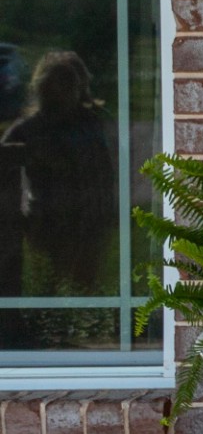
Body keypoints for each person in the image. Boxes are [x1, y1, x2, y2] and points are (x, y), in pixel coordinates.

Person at [0, 51, 117, 348]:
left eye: (66, 85)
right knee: (47, 284)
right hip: (45, 224)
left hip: (88, 221)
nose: (58, 95)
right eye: (51, 86)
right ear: (40, 89)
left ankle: (82, 331)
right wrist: (28, 154)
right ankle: (46, 334)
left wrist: (105, 211)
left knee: (84, 283)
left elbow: (106, 172)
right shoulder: (30, 128)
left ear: (79, 88)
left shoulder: (91, 125)